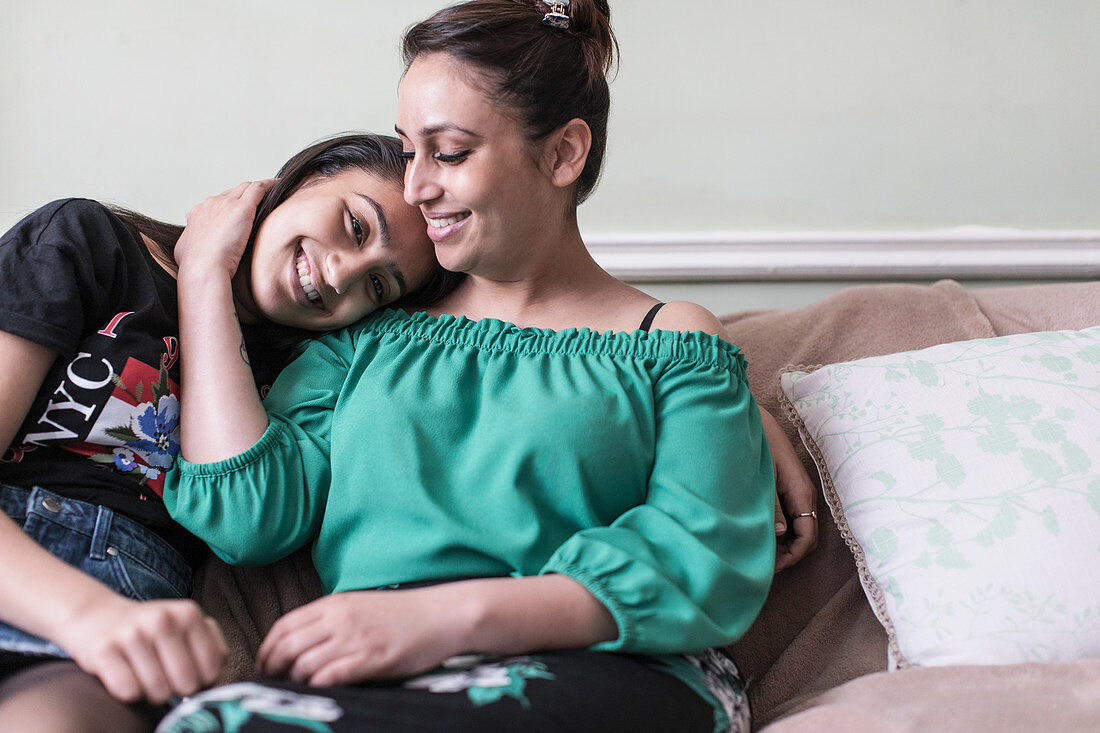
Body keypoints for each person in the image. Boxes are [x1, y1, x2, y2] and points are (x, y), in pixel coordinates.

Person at [157, 2, 817, 732]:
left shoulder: (672, 339)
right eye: (410, 151)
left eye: (450, 152)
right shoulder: (369, 341)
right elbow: (245, 517)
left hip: (607, 672)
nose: (413, 189)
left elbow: (705, 559)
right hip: (386, 687)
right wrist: (202, 282)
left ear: (565, 153)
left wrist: (440, 617)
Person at [0, 133, 448, 732]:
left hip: (121, 639)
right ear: (300, 180)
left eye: (377, 286)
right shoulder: (92, 243)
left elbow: (248, 518)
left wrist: (206, 274)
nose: (341, 274)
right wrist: (87, 615)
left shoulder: (303, 385)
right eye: (356, 227)